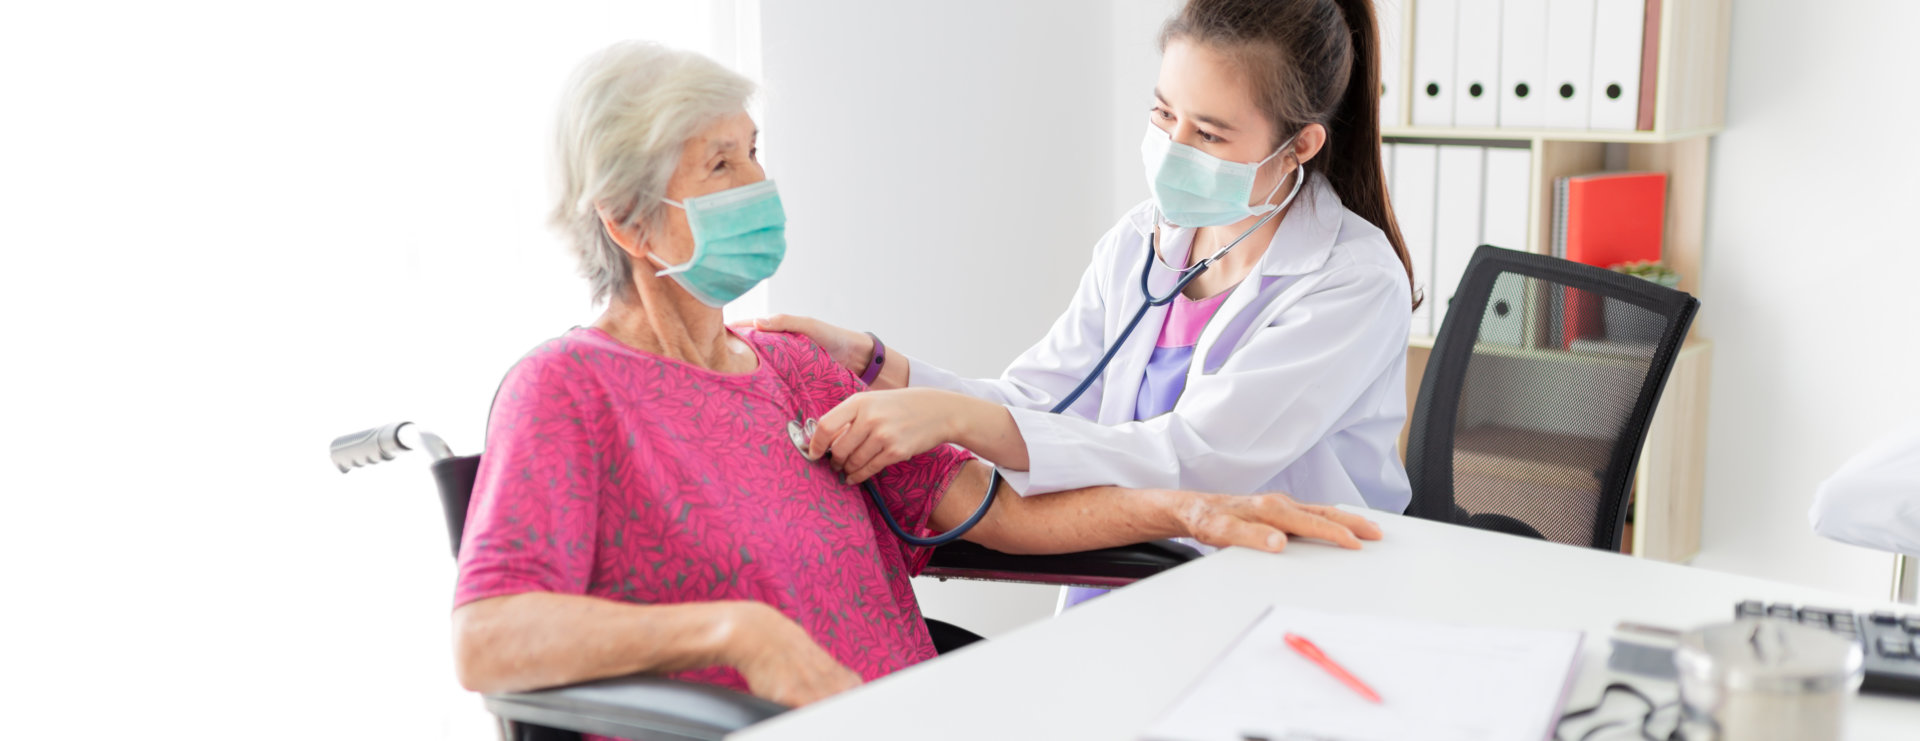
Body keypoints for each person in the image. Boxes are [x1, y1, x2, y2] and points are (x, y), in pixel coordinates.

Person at [450, 41, 1383, 721]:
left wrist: (1184, 512)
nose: (757, 184)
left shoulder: (790, 367)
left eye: (754, 150)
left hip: (930, 709)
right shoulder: (570, 387)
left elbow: (999, 511)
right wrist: (731, 632)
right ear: (626, 221)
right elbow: (487, 636)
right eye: (721, 164)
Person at [750, 0, 1416, 520]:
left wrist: (952, 418)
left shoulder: (1351, 280)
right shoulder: (1141, 243)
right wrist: (873, 360)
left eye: (1209, 133)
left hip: (1285, 588)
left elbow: (1196, 461)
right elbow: (1041, 402)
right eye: (1164, 115)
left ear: (1299, 145)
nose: (1173, 148)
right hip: (1140, 561)